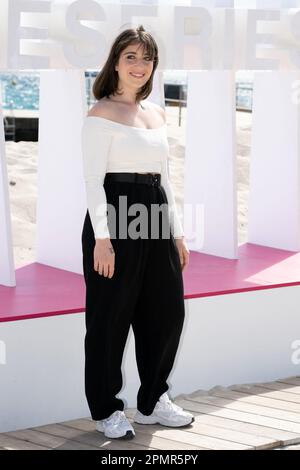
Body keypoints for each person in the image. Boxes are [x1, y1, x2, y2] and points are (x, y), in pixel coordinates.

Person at [81, 25, 194, 440]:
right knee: (110, 318)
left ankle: (151, 402)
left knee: (167, 313)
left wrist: (177, 234)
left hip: (155, 213)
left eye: (146, 58)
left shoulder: (158, 114)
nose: (139, 66)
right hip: (116, 211)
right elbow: (94, 182)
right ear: (115, 62)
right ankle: (106, 409)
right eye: (131, 56)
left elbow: (165, 177)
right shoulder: (100, 113)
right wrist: (102, 239)